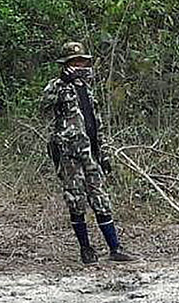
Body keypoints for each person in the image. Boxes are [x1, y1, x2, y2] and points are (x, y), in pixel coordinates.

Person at [40, 42, 134, 264]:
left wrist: (104, 154)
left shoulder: (87, 88)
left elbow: (96, 122)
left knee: (101, 199)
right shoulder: (57, 86)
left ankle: (115, 249)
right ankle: (86, 250)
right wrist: (62, 82)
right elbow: (43, 108)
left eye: (82, 61)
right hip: (69, 155)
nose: (80, 65)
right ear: (66, 64)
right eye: (75, 62)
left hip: (91, 153)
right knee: (76, 201)